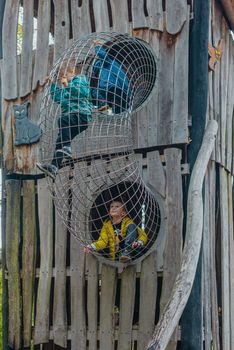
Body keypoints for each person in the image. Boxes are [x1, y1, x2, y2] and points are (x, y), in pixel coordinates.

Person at [37, 60, 94, 179]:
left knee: (63, 120)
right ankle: (54, 167)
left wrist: (67, 85)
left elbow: (81, 93)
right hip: (72, 120)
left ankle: (67, 147)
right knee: (60, 141)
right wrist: (53, 85)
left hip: (81, 115)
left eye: (64, 76)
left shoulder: (80, 79)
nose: (62, 80)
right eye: (60, 78)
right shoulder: (65, 89)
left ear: (72, 72)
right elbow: (58, 98)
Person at [90, 40, 132, 115]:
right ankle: (113, 113)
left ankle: (107, 112)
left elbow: (103, 55)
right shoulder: (115, 65)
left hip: (113, 88)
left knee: (95, 92)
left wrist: (97, 46)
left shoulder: (106, 63)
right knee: (117, 110)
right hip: (124, 94)